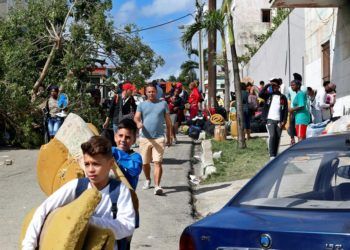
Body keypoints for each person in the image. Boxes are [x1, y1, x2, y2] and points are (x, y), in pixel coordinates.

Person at [22, 136, 135, 249]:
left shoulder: (120, 191)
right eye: (87, 164)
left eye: (96, 164)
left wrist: (87, 221)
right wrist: (29, 245)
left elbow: (128, 226)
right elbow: (43, 210)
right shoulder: (77, 186)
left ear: (110, 164)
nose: (90, 170)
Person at [134, 83, 172, 195]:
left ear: (157, 92)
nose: (151, 93)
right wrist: (138, 123)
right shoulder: (141, 105)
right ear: (145, 93)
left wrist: (169, 137)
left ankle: (157, 186)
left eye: (153, 91)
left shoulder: (163, 104)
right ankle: (147, 179)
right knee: (145, 163)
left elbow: (168, 122)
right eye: (149, 91)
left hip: (159, 138)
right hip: (145, 138)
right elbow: (136, 117)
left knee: (157, 163)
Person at [259, 78, 288, 159]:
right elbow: (260, 94)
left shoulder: (283, 97)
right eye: (273, 86)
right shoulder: (268, 95)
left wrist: (284, 121)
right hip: (270, 120)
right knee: (272, 136)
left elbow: (285, 110)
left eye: (276, 86)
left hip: (279, 121)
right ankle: (271, 155)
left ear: (279, 87)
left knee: (277, 137)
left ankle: (275, 154)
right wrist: (268, 85)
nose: (274, 87)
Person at [112, 119, 142, 190]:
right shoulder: (110, 151)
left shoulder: (135, 157)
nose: (123, 140)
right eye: (120, 136)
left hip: (127, 196)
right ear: (115, 137)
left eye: (127, 137)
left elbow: (135, 170)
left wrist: (117, 153)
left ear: (134, 140)